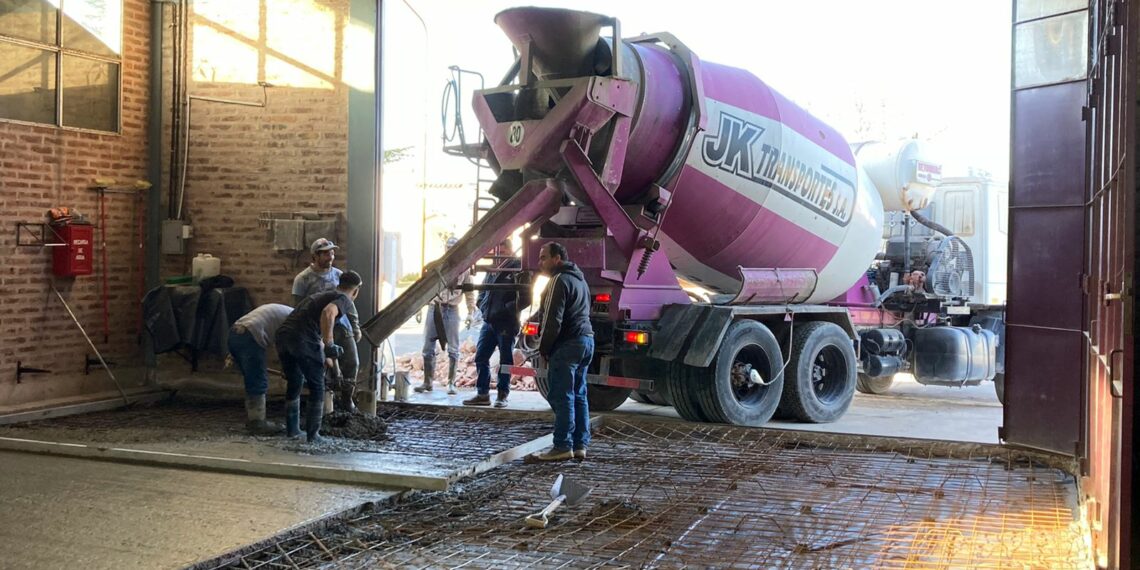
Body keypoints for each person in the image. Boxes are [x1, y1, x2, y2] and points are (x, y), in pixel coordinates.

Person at [275, 270, 362, 443]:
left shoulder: (321, 295)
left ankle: (293, 430)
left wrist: (330, 359)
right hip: (303, 338)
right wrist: (330, 344)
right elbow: (328, 313)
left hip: (284, 336)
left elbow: (317, 331)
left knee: (295, 381)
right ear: (356, 291)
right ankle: (313, 436)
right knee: (317, 386)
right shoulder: (344, 299)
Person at [527, 242, 594, 463]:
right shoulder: (580, 279)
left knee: (561, 395)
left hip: (568, 344)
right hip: (586, 341)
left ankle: (562, 445)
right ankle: (580, 445)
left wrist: (544, 350)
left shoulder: (559, 280)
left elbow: (551, 321)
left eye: (543, 257)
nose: (540, 262)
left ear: (557, 258)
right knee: (579, 395)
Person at [292, 238, 362, 412]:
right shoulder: (303, 279)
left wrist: (355, 325)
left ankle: (347, 400)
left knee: (352, 362)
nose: (330, 257)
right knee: (322, 366)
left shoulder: (338, 275)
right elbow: (297, 308)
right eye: (325, 254)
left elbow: (348, 302)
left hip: (342, 327)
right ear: (315, 256)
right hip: (316, 330)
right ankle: (324, 406)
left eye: (332, 253)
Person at [464, 239, 530, 408]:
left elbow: (526, 297)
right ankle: (482, 394)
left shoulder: (517, 268)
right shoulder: (493, 269)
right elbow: (483, 291)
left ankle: (502, 395)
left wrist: (505, 310)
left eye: (501, 248)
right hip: (489, 322)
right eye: (496, 249)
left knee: (505, 360)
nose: (497, 252)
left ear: (509, 249)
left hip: (506, 323)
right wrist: (483, 306)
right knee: (481, 356)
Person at [415, 236, 477, 395]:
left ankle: (451, 383)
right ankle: (427, 382)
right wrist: (419, 308)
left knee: (453, 349)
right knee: (428, 347)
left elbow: (469, 292)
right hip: (435, 308)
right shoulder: (437, 267)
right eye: (448, 248)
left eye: (454, 248)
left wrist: (470, 312)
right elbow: (424, 288)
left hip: (452, 308)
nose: (451, 251)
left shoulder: (464, 269)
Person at [228, 303, 293, 435]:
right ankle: (257, 423)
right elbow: (286, 349)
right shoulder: (297, 322)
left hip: (236, 333)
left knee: (252, 378)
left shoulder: (289, 313)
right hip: (250, 335)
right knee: (257, 380)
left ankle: (254, 420)